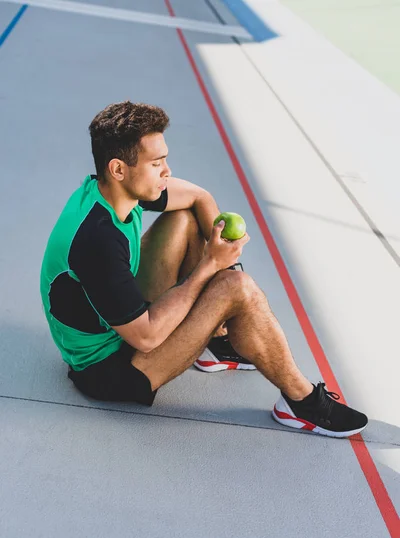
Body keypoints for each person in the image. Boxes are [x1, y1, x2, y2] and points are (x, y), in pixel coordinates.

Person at [40, 101, 368, 438]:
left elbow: (200, 197)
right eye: (156, 163)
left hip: (119, 325)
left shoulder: (110, 190)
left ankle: (216, 340)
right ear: (119, 169)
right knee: (237, 287)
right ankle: (302, 403)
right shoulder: (98, 239)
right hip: (107, 368)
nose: (166, 171)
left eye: (164, 159)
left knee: (183, 219)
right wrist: (215, 270)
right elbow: (147, 337)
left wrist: (222, 271)